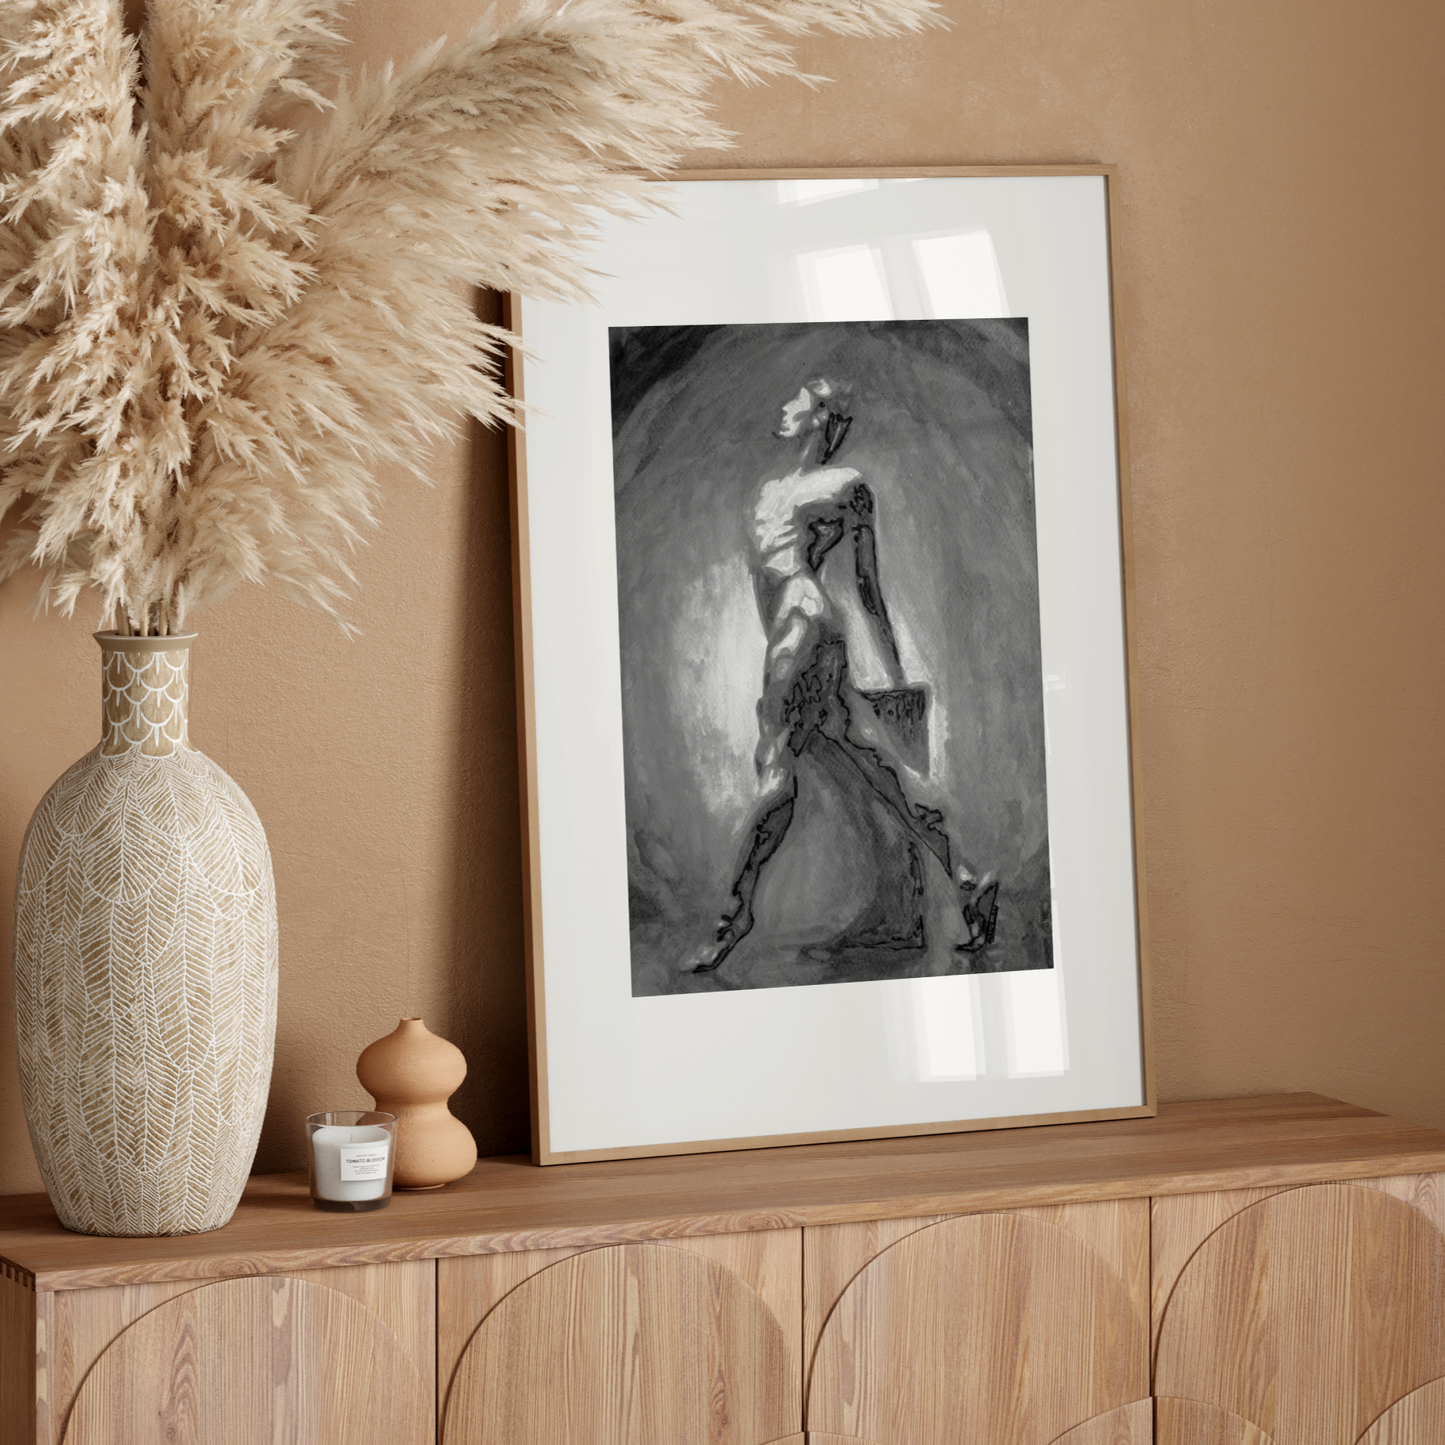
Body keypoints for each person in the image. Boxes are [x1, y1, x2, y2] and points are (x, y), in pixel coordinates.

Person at [689, 377, 998, 976]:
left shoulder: (831, 487)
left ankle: (732, 919)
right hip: (805, 634)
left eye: (797, 397)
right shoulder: (783, 489)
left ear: (821, 415)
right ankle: (967, 880)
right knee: (885, 769)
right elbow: (822, 586)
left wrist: (894, 664)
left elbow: (865, 585)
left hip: (800, 631)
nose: (784, 403)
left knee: (775, 768)